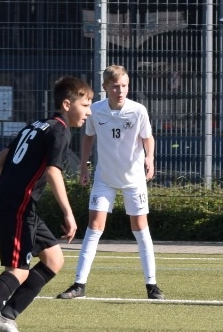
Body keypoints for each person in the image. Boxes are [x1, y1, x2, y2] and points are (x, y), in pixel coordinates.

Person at [0, 76, 94, 332]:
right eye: (85, 105)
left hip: (17, 202)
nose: (89, 112)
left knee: (54, 259)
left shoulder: (36, 125)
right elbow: (53, 171)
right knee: (18, 270)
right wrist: (69, 213)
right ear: (67, 105)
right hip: (19, 204)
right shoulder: (60, 131)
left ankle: (5, 317)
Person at [57, 64, 163, 300]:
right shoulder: (96, 110)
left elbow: (148, 137)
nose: (120, 90)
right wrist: (83, 165)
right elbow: (88, 136)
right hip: (104, 178)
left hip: (133, 180)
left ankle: (152, 285)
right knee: (94, 227)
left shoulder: (138, 111)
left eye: (124, 86)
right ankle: (79, 284)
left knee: (140, 229)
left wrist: (150, 158)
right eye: (115, 86)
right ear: (105, 87)